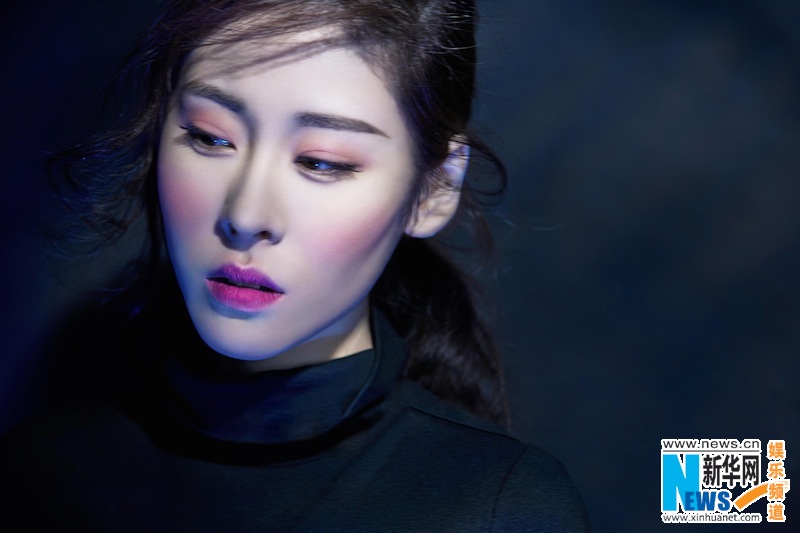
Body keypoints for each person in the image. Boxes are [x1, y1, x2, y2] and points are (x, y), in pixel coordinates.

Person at [0, 0, 591, 530]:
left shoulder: (498, 508)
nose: (246, 214)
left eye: (322, 162)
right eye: (211, 138)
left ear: (434, 188)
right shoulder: (40, 471)